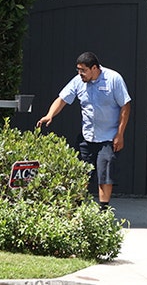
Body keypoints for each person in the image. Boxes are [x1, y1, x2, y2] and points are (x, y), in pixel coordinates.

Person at [37, 52, 132, 210]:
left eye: (83, 70)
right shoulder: (78, 81)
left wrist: (120, 134)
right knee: (81, 172)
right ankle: (76, 209)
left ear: (94, 68)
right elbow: (62, 99)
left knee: (105, 175)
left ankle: (103, 211)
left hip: (108, 137)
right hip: (87, 136)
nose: (80, 74)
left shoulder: (114, 79)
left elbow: (125, 106)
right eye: (78, 70)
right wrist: (49, 115)